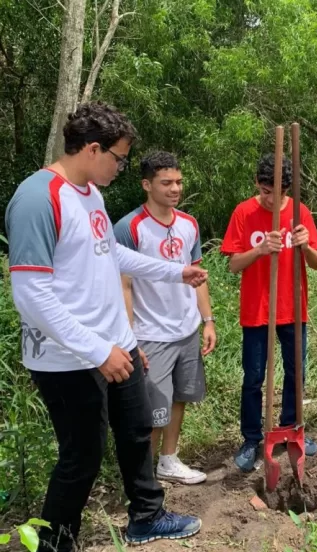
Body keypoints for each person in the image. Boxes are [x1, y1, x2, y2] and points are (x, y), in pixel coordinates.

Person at [5, 102, 206, 551]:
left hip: (118, 344)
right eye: (118, 157)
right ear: (93, 149)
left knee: (136, 431)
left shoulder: (91, 193)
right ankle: (55, 541)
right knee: (82, 456)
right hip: (66, 357)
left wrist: (174, 273)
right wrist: (97, 351)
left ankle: (147, 517)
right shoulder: (39, 198)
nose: (120, 166)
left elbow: (108, 255)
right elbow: (31, 295)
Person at [114, 151, 216, 486]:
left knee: (179, 398)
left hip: (186, 329)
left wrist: (207, 320)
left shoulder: (189, 224)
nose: (175, 188)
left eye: (179, 182)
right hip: (150, 333)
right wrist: (129, 337)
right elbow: (123, 285)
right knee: (152, 408)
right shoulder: (129, 228)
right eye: (166, 182)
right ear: (146, 185)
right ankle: (143, 476)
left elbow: (198, 274)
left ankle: (168, 461)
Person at [221, 153, 317, 472]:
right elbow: (233, 264)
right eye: (265, 191)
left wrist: (305, 246)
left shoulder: (299, 212)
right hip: (257, 309)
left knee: (297, 373)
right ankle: (252, 439)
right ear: (257, 184)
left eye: (277, 193)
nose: (270, 199)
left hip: (292, 309)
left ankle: (293, 430)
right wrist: (261, 249)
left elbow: (316, 263)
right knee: (253, 377)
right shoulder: (244, 212)